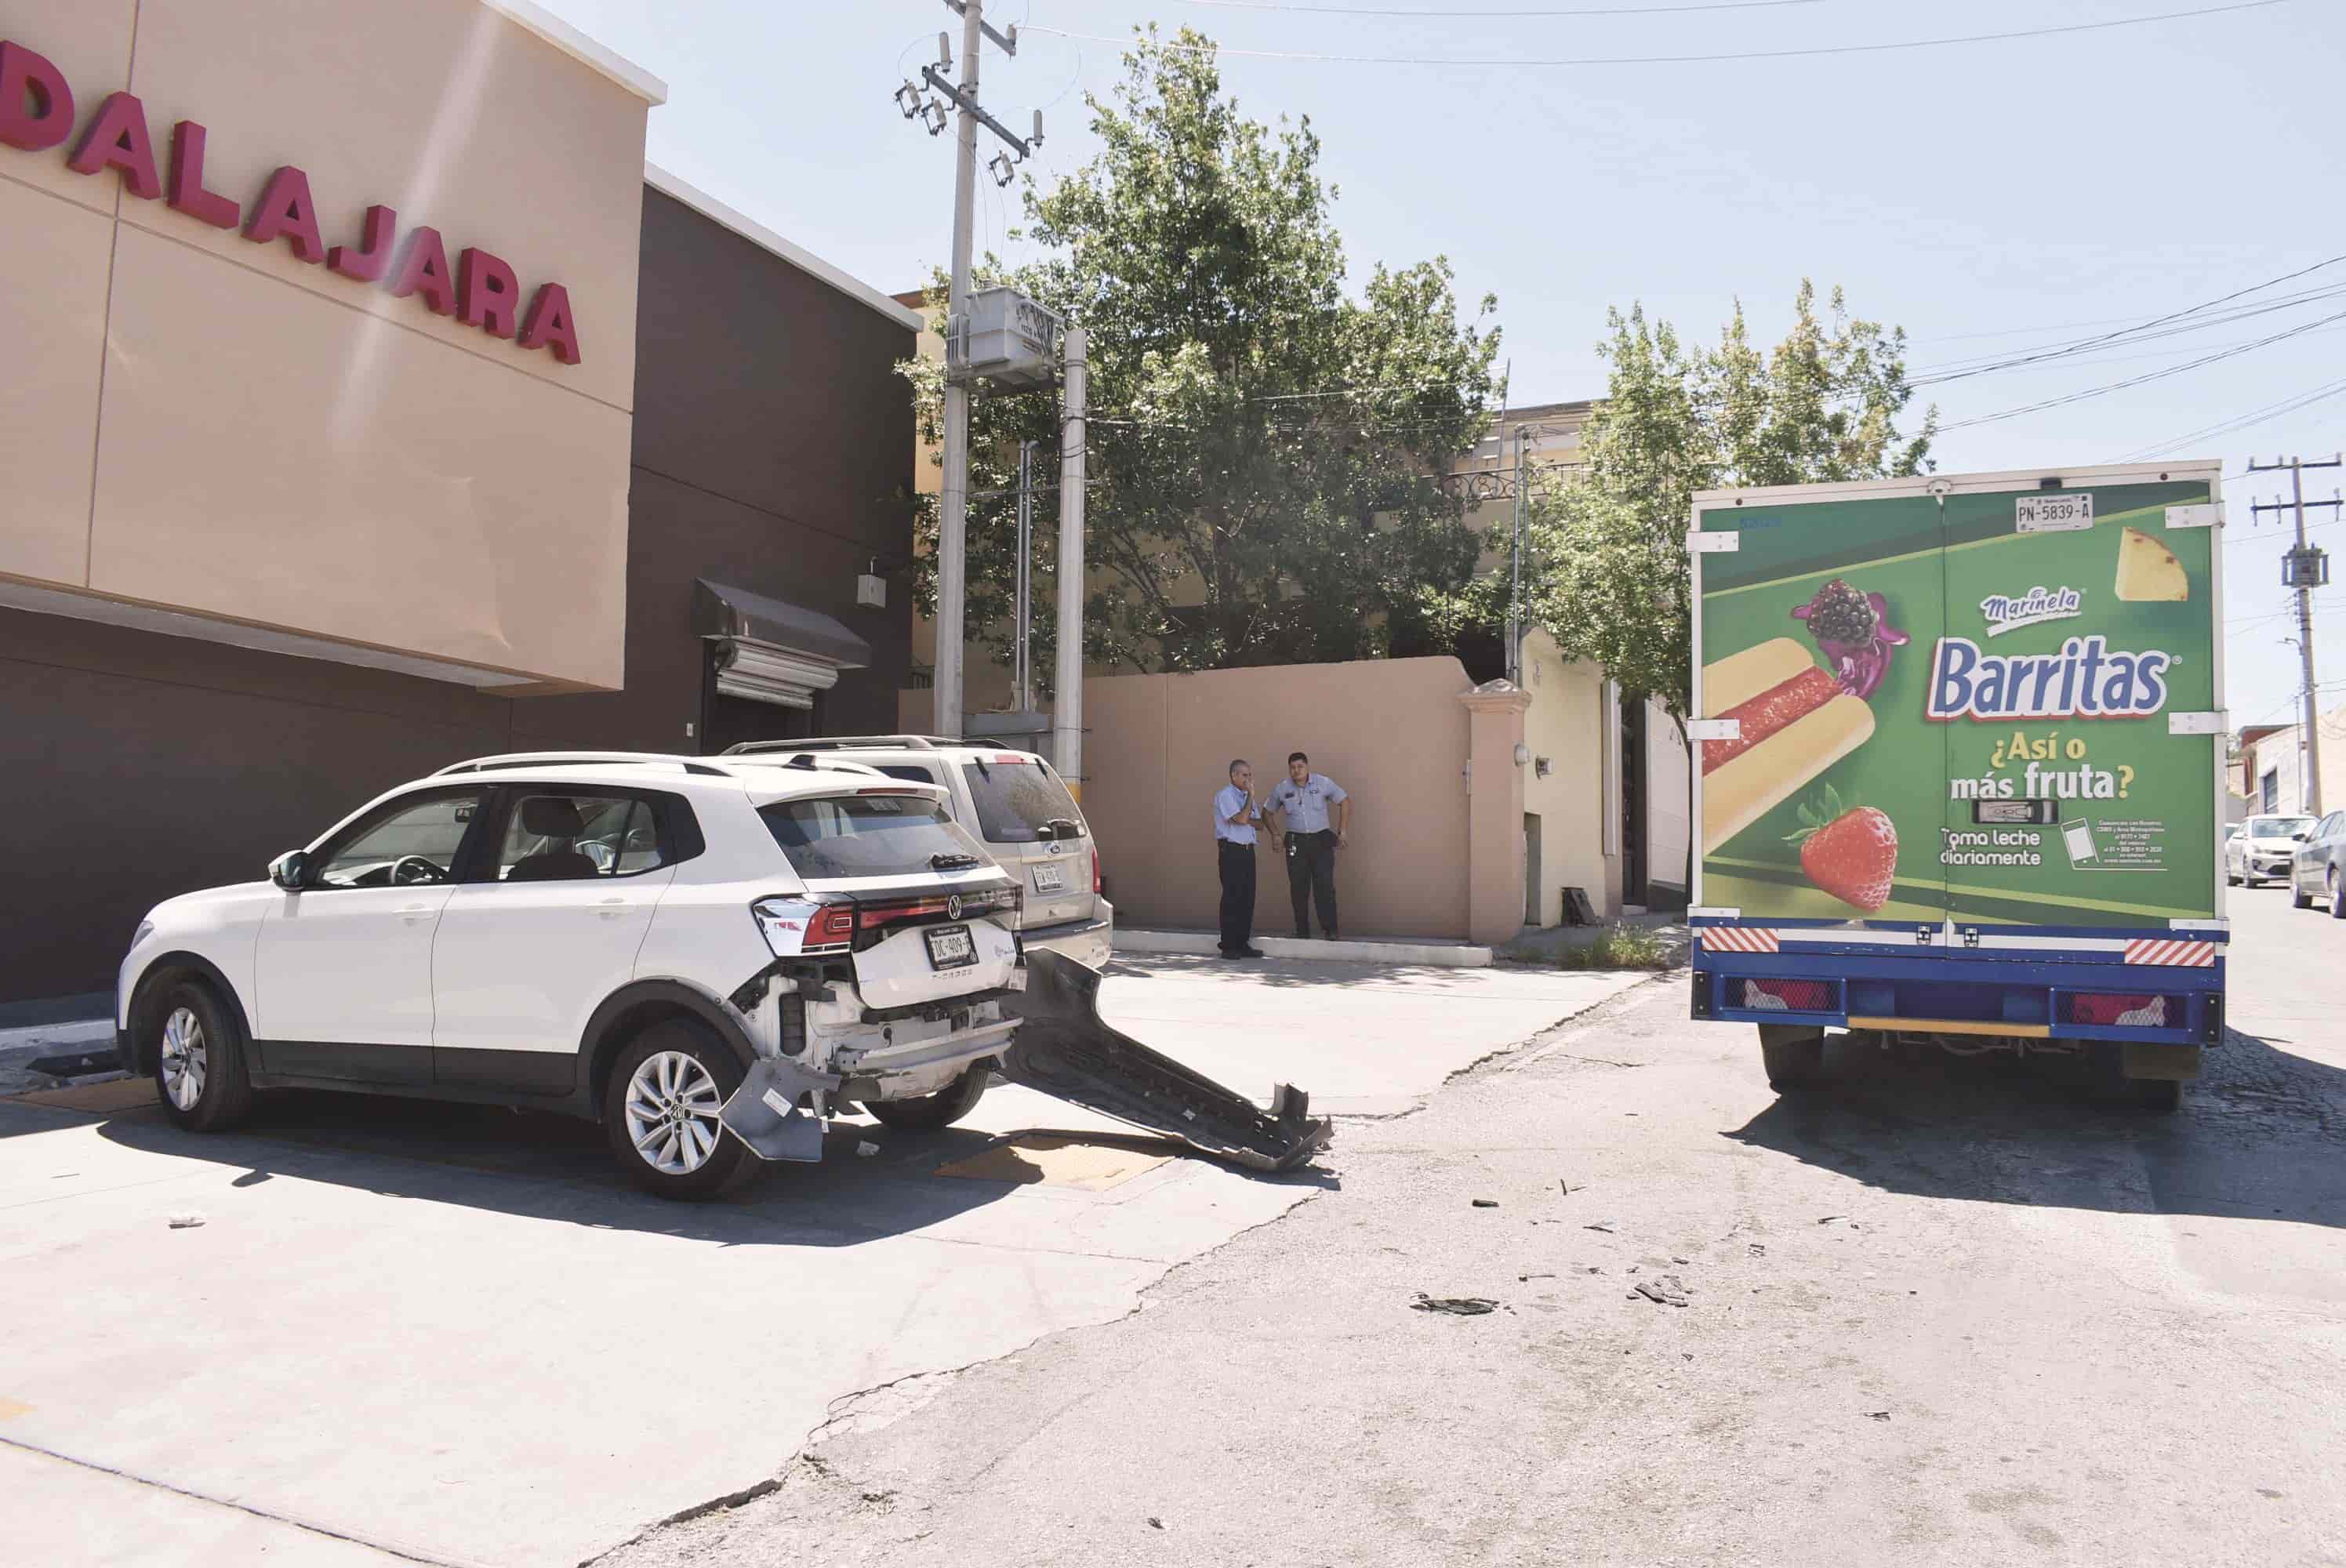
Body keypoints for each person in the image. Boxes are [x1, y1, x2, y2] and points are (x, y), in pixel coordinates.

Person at [1266, 751, 1350, 941]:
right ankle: (1302, 931)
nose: (1296, 771)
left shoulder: (1323, 783)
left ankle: (1330, 930)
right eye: (1293, 768)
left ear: (1307, 766)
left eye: (1300, 767)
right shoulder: (1282, 788)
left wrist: (1342, 830)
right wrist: (1276, 835)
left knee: (1325, 886)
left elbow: (1344, 800)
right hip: (1296, 842)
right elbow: (1267, 812)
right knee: (1298, 887)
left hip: (1321, 840)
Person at [1213, 760, 1266, 960]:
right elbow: (1242, 819)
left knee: (1247, 898)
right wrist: (1249, 801)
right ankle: (1228, 945)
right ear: (1233, 776)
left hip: (1247, 851)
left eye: (1250, 775)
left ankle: (1242, 943)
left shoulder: (1246, 797)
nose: (1248, 779)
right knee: (1232, 898)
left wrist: (1245, 816)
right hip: (1231, 851)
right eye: (1244, 775)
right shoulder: (1226, 795)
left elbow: (1259, 824)